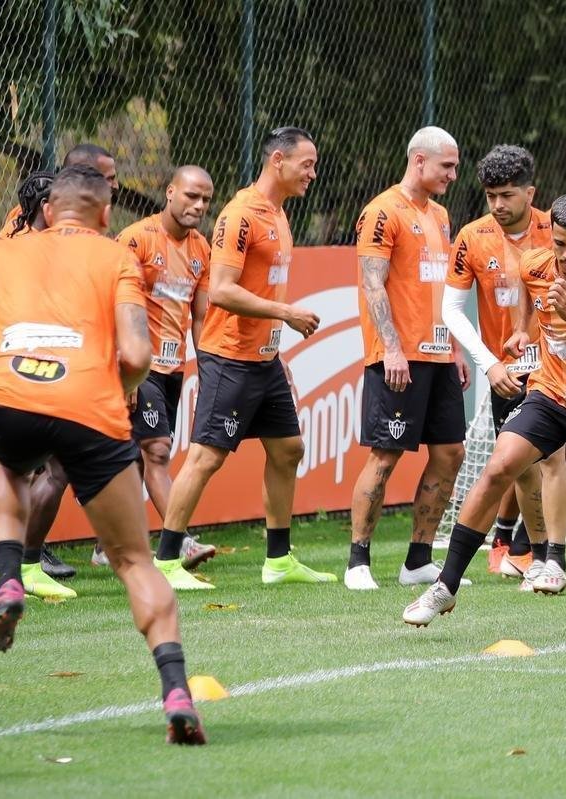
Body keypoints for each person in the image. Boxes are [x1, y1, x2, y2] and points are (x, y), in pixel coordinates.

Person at [0, 164, 205, 744]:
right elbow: (136, 354)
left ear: (47, 210)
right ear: (106, 214)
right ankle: (176, 689)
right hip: (90, 408)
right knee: (134, 560)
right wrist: (119, 393)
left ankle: (7, 578)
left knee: (10, 464)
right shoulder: (117, 257)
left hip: (12, 394)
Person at [405, 193, 566, 637]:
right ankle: (445, 585)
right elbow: (533, 299)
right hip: (550, 394)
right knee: (499, 465)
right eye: (560, 244)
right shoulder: (536, 264)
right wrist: (521, 331)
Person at [158, 128, 334, 589]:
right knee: (205, 458)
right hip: (229, 357)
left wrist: (276, 338)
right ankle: (166, 561)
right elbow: (221, 290)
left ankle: (278, 561)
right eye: (307, 164)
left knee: (288, 449)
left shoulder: (278, 213)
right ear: (278, 160)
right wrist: (287, 313)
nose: (313, 173)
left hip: (264, 358)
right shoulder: (239, 215)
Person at [441, 144, 566, 591]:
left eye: (508, 195)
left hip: (558, 367)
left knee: (555, 456)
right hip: (506, 370)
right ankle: (535, 555)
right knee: (521, 466)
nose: (499, 204)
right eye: (491, 195)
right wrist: (490, 364)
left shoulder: (557, 232)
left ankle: (554, 557)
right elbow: (452, 310)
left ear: (530, 192)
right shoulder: (472, 237)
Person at [0, 143, 121, 581]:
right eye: (107, 177)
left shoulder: (11, 236)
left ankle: (5, 569)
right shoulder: (93, 249)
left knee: (11, 466)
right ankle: (25, 563)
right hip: (52, 369)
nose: (115, 186)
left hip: (8, 364)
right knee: (49, 467)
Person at [347, 126, 470, 590]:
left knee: (451, 453)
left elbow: (441, 289)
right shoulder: (381, 212)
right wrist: (392, 348)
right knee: (385, 455)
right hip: (397, 356)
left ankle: (418, 559)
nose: (454, 175)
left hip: (439, 355)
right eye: (447, 166)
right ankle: (358, 560)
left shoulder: (439, 215)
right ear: (419, 160)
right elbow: (372, 283)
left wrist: (453, 346)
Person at [0, 172, 77, 601]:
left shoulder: (15, 223)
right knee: (23, 460)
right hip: (12, 349)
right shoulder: (45, 245)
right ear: (48, 206)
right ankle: (10, 561)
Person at [89, 166, 218, 572]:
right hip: (138, 365)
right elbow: (111, 304)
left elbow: (200, 316)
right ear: (169, 192)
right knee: (157, 451)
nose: (198, 205)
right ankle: (178, 543)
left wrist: (209, 365)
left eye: (206, 200)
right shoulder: (136, 239)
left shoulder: (202, 250)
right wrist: (121, 366)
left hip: (174, 367)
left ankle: (102, 545)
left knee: (140, 459)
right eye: (191, 196)